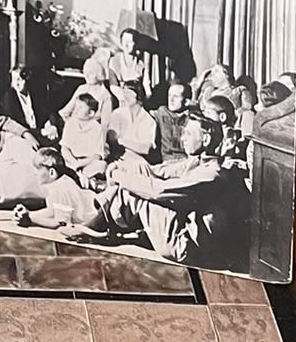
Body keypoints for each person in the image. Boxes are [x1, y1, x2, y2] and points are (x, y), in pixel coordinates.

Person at [86, 112, 250, 268]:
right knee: (138, 168)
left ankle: (103, 222)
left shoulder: (212, 174)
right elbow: (157, 170)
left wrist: (117, 176)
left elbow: (158, 190)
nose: (182, 138)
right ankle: (105, 220)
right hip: (182, 231)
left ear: (205, 139)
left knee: (141, 191)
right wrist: (120, 167)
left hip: (184, 245)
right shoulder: (197, 162)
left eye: (188, 134)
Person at [60, 88, 109, 185]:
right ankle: (84, 179)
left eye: (81, 107)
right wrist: (73, 163)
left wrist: (79, 164)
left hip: (87, 163)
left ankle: (80, 178)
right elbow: (64, 148)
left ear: (91, 113)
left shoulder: (98, 128)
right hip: (70, 161)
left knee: (101, 165)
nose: (76, 109)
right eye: (76, 106)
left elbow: (97, 156)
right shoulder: (70, 123)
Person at [0, 64, 51, 138]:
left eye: (19, 79)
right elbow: (14, 127)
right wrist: (41, 131)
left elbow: (49, 111)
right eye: (14, 79)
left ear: (26, 79)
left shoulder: (35, 94)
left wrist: (52, 125)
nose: (17, 83)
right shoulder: (9, 98)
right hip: (21, 137)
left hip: (39, 134)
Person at [153, 79, 192, 160]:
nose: (171, 100)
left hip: (186, 160)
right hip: (167, 160)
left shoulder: (192, 118)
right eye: (169, 95)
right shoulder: (161, 112)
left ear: (186, 102)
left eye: (176, 96)